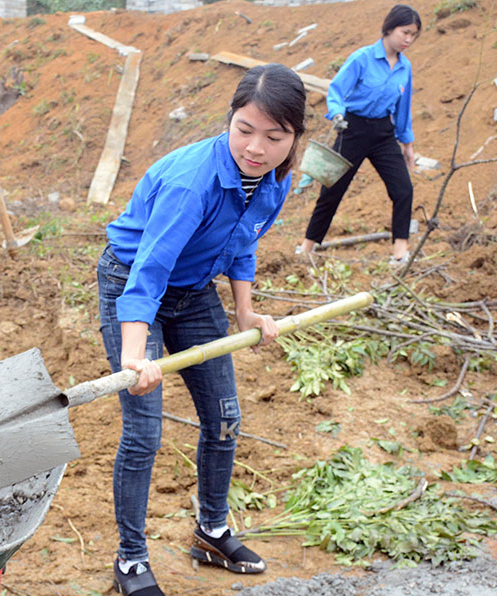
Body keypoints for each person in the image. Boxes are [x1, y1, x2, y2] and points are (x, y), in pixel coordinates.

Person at [97, 63, 306, 595]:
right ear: (230, 120)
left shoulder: (276, 179)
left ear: (294, 139)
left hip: (192, 295)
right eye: (244, 129)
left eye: (273, 136)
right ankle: (130, 560)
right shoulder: (195, 181)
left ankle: (212, 531)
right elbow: (149, 270)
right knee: (144, 432)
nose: (255, 147)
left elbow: (243, 242)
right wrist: (136, 354)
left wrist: (245, 312)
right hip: (134, 281)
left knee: (225, 417)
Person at [297, 4, 421, 267]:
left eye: (413, 35)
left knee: (403, 189)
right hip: (352, 129)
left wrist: (407, 143)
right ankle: (307, 248)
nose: (408, 39)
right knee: (332, 190)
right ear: (389, 28)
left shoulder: (404, 68)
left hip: (383, 134)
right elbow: (337, 90)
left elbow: (403, 108)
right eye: (405, 32)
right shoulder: (362, 58)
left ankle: (400, 252)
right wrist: (338, 114)